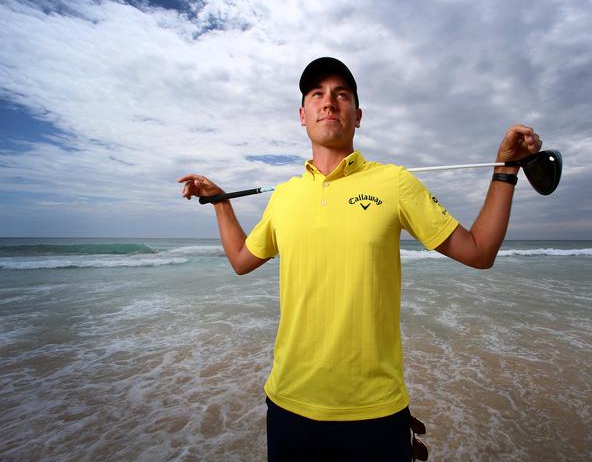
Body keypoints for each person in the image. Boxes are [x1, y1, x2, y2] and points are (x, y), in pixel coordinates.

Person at [178, 57, 542, 461]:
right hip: (288, 405)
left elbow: (479, 252)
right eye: (316, 94)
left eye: (341, 95)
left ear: (358, 115)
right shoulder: (284, 197)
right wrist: (220, 202)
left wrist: (506, 171)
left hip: (376, 411)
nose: (328, 102)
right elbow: (242, 260)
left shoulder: (395, 182)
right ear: (303, 115)